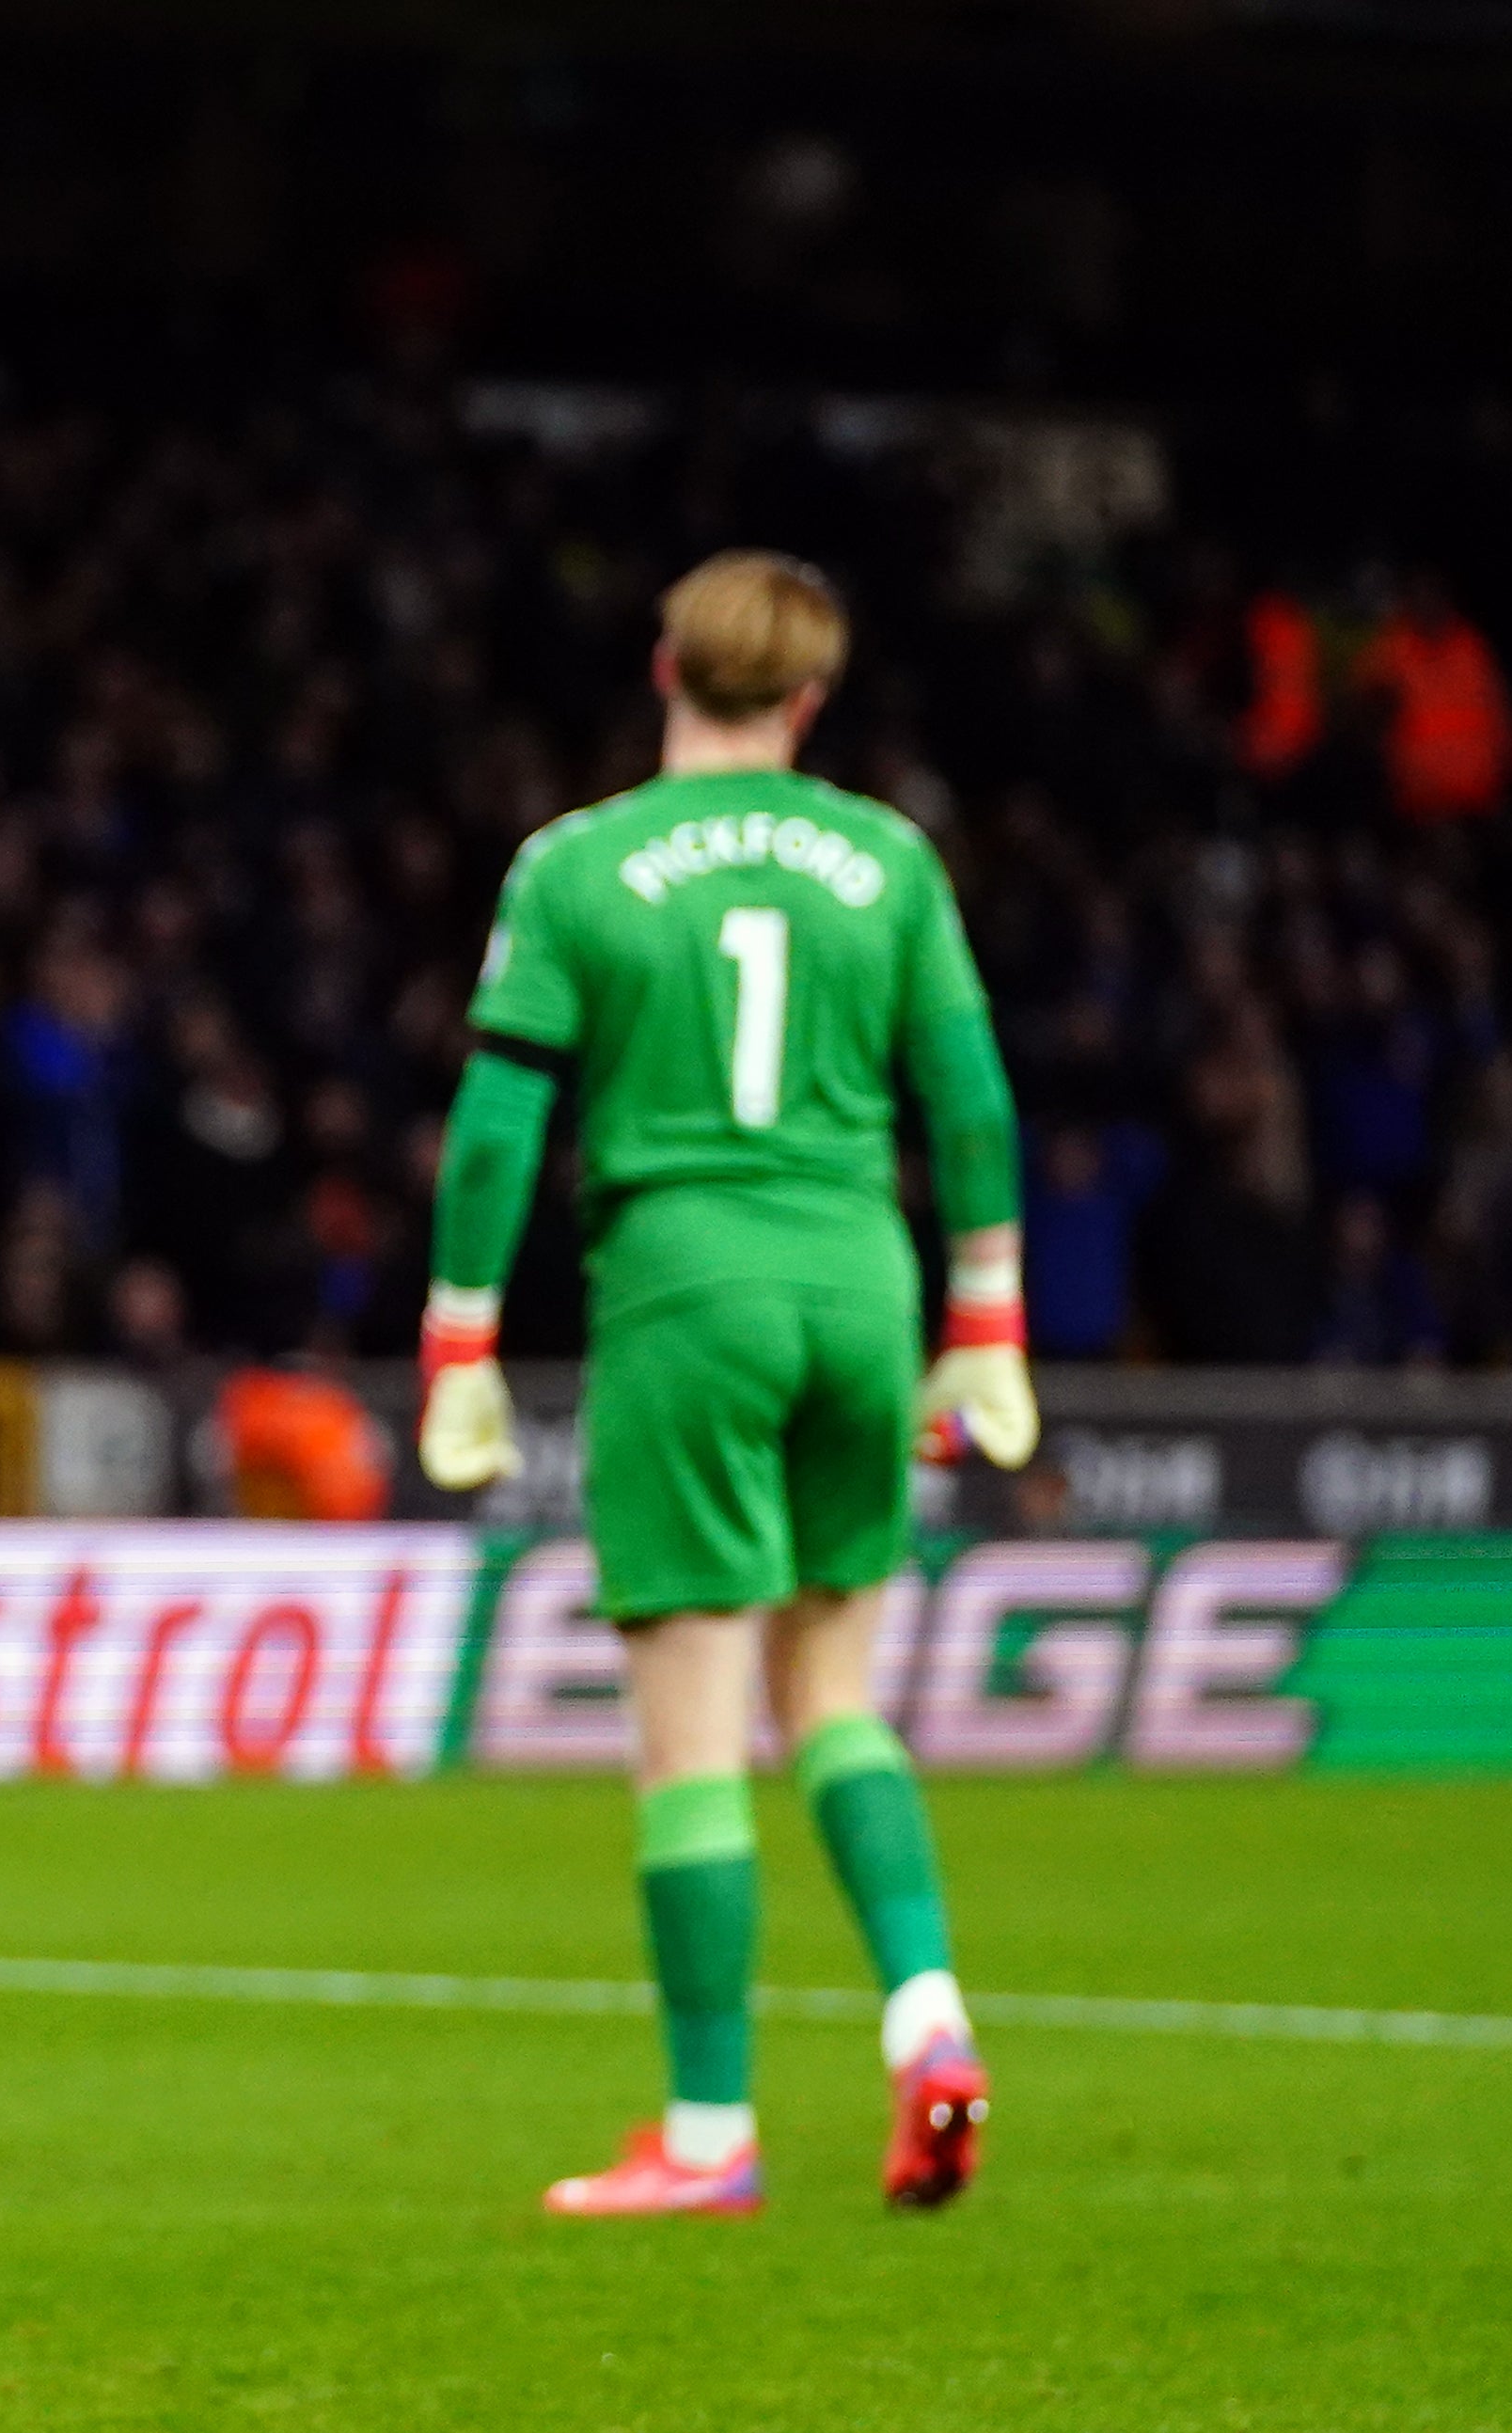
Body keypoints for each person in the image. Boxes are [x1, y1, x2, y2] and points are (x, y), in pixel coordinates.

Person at [416, 550, 1030, 2220]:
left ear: (663, 663)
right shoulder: (889, 856)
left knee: (691, 1733)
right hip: (862, 1278)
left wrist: (459, 1333)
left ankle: (706, 2133)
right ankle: (928, 2023)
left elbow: (493, 1123)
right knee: (835, 1691)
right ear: (812, 698)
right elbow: (968, 1103)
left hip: (689, 1281)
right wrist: (991, 1321)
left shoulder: (578, 862)